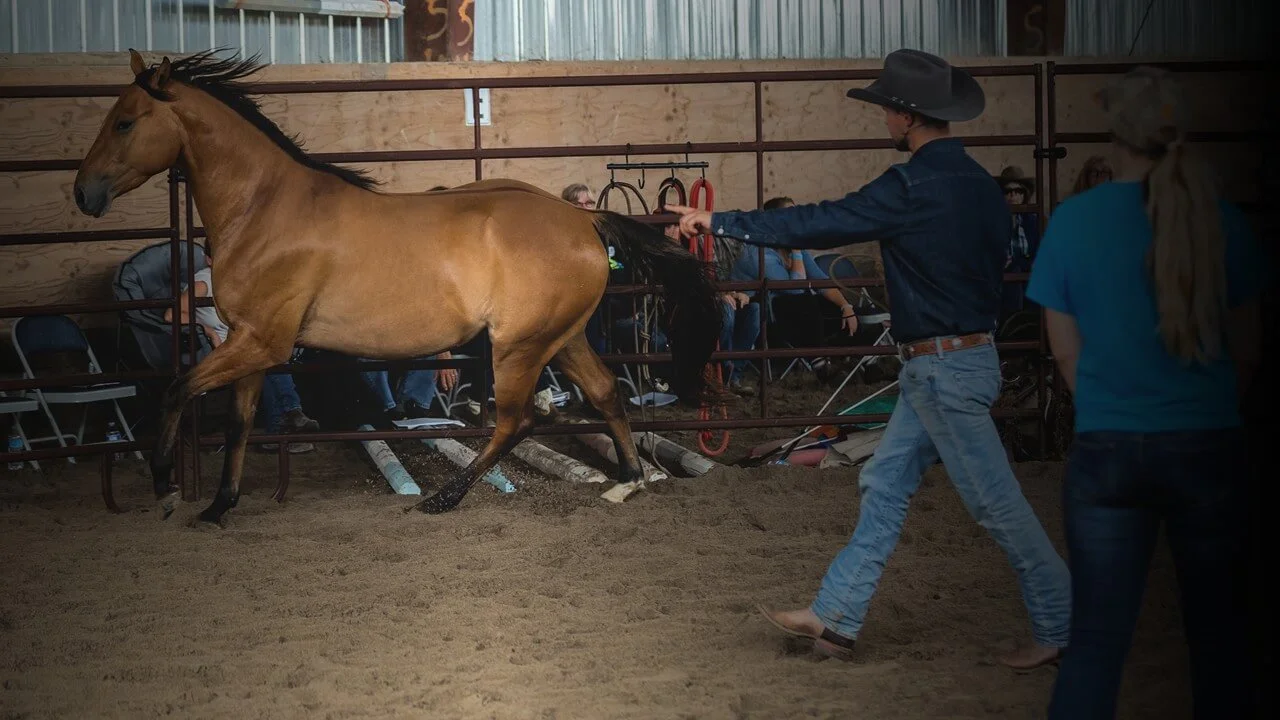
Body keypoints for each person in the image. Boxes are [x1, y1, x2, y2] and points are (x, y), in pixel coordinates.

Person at [667, 48, 1070, 669]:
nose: (882, 116)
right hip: (954, 359)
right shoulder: (983, 189)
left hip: (939, 366)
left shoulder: (909, 184)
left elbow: (823, 222)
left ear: (906, 118)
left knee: (995, 501)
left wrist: (717, 220)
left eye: (887, 107)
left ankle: (1060, 621)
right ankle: (836, 617)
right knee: (884, 483)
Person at [1028, 66, 1263, 720]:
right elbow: (1249, 349)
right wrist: (1204, 412)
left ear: (1115, 134)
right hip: (1209, 445)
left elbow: (1064, 350)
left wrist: (1106, 407)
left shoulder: (1074, 222)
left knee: (1097, 643)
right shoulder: (1223, 223)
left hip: (1106, 449)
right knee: (1219, 639)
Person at [165, 257, 318, 454]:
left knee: (269, 353)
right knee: (265, 357)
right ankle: (288, 415)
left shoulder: (236, 281)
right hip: (217, 350)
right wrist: (208, 329)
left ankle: (281, 427)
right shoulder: (204, 281)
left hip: (239, 345)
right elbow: (172, 315)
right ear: (209, 259)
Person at [729, 196, 858, 362]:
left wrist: (845, 306)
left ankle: (864, 361)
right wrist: (797, 249)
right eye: (791, 216)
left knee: (834, 307)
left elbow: (821, 280)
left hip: (793, 312)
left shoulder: (792, 246)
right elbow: (794, 289)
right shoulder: (759, 252)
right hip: (760, 317)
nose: (797, 222)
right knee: (804, 301)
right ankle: (819, 361)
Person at [995, 165, 1041, 322]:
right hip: (1003, 281)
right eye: (1008, 191)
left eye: (1018, 191)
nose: (1013, 195)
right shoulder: (993, 223)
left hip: (1028, 279)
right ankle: (1012, 327)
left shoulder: (1034, 222)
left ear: (1024, 195)